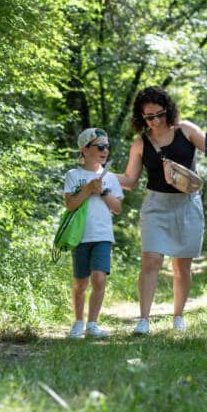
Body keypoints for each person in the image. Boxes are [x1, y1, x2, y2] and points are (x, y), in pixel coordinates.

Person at [117, 86, 207, 334]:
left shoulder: (186, 130)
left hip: (187, 204)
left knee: (182, 266)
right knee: (151, 261)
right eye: (149, 116)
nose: (156, 120)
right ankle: (143, 320)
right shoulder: (140, 143)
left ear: (168, 109)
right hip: (156, 206)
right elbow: (130, 180)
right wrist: (101, 176)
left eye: (160, 113)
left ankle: (178, 316)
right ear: (141, 117)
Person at [64, 128, 123, 338]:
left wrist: (103, 191)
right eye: (100, 146)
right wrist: (88, 189)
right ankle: (78, 322)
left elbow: (117, 208)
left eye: (107, 146)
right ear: (85, 149)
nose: (105, 150)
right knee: (81, 282)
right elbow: (71, 205)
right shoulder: (73, 176)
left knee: (99, 278)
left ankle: (93, 324)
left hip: (102, 236)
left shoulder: (111, 179)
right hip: (79, 236)